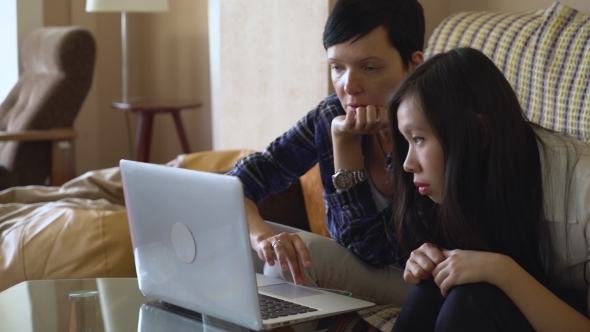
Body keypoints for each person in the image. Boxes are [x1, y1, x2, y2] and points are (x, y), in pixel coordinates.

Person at [226, 0, 424, 304]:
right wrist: (263, 239)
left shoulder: (432, 129)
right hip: (355, 265)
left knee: (290, 263)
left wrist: (343, 143)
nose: (349, 86)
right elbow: (242, 180)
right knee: (235, 242)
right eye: (337, 68)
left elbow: (373, 249)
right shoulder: (330, 114)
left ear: (414, 65)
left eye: (370, 68)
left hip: (416, 282)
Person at [387, 47, 590, 331]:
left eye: (419, 138)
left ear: (479, 133)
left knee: (470, 300)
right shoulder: (468, 181)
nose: (408, 164)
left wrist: (502, 271)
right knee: (434, 287)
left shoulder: (583, 188)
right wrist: (435, 259)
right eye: (406, 141)